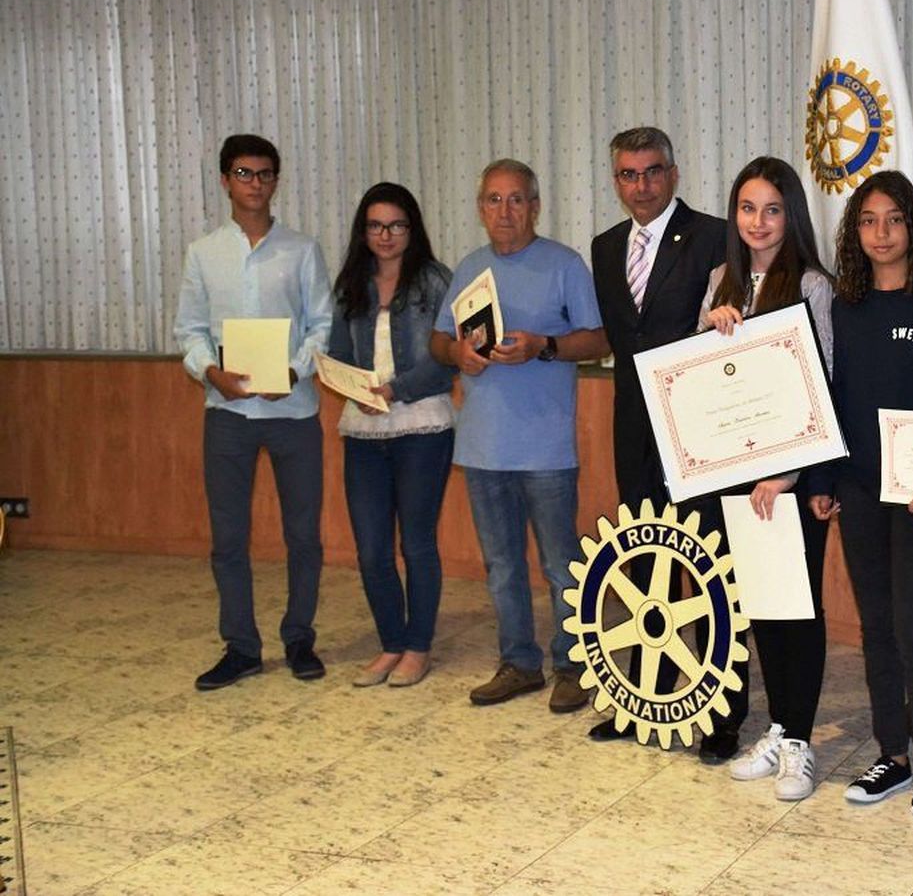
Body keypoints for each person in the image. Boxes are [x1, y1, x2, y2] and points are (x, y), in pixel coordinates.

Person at [809, 170, 913, 819]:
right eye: (869, 221)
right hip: (859, 487)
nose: (881, 233)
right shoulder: (845, 305)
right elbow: (831, 398)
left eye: (894, 219)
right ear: (855, 232)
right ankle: (892, 756)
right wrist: (824, 481)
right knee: (876, 626)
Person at [588, 126, 749, 761]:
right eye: (628, 174)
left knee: (709, 571)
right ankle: (643, 700)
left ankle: (722, 714)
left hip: (699, 431)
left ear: (673, 175)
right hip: (633, 428)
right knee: (641, 567)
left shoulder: (714, 236)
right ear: (616, 181)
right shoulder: (604, 248)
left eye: (653, 172)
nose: (642, 185)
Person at [429, 159, 608, 711]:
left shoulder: (565, 265)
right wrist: (456, 353)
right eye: (493, 200)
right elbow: (439, 342)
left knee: (560, 565)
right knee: (502, 565)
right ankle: (518, 663)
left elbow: (598, 339)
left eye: (516, 200)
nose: (504, 211)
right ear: (480, 208)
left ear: (534, 206)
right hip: (482, 447)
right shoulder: (468, 268)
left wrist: (543, 346)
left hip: (546, 449)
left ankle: (574, 665)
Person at [175, 133, 333, 690]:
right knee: (228, 539)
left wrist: (291, 370)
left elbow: (321, 325)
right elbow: (189, 331)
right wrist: (209, 371)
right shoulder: (203, 252)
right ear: (225, 180)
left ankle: (299, 637)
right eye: (244, 173)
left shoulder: (302, 249)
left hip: (293, 411)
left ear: (276, 181)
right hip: (227, 413)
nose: (255, 184)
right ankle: (240, 647)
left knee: (304, 536)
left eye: (265, 174)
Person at [699, 156, 834, 801]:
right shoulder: (719, 279)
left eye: (772, 210)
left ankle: (801, 741)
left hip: (790, 484)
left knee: (795, 610)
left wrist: (787, 477)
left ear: (792, 216)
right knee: (756, 609)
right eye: (748, 209)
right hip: (733, 479)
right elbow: (699, 379)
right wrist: (708, 331)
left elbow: (824, 388)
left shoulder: (812, 285)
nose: (759, 222)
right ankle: (779, 729)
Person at [326, 182, 455, 688]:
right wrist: (351, 386)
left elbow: (444, 361)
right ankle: (391, 643)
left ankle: (418, 647)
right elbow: (336, 351)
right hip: (363, 430)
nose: (386, 235)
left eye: (396, 225)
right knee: (371, 548)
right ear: (364, 230)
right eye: (376, 226)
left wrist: (394, 389)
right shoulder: (350, 284)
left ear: (411, 229)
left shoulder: (435, 282)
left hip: (422, 424)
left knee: (418, 543)